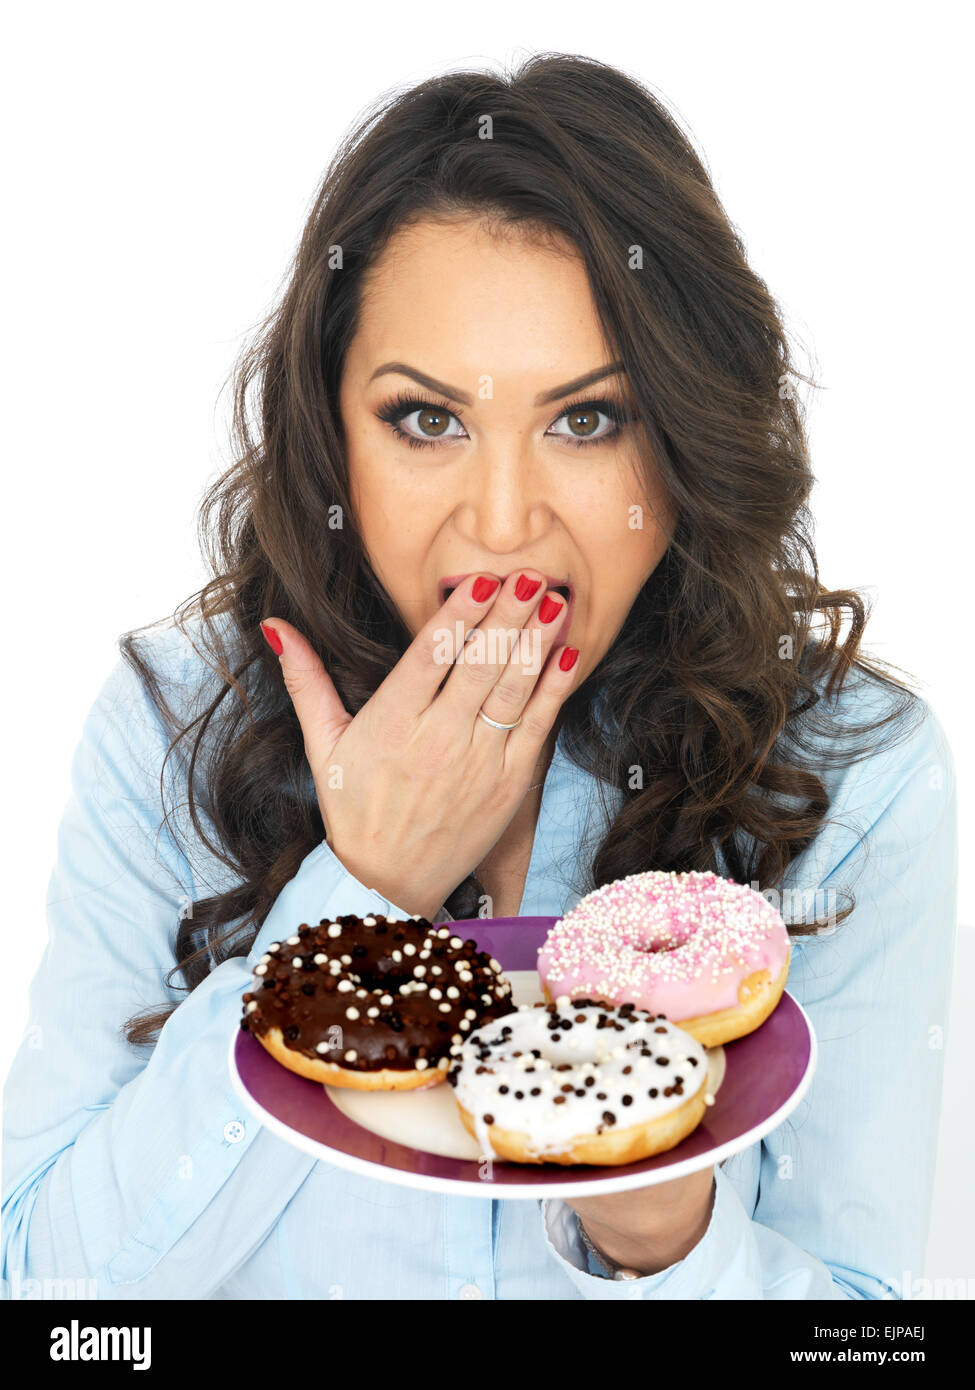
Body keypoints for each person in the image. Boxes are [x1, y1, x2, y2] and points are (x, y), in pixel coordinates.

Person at [2, 54, 956, 1300]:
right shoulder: (177, 725)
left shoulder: (853, 778)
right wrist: (356, 893)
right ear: (329, 433)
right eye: (427, 420)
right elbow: (50, 1302)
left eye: (587, 419)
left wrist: (661, 1228)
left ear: (684, 442)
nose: (503, 526)